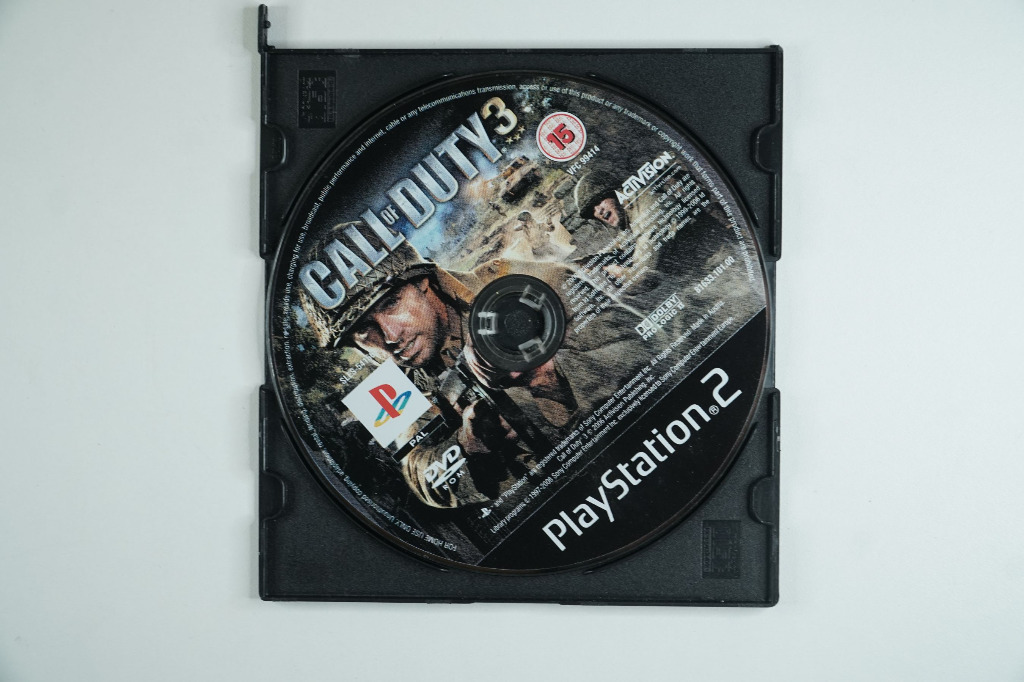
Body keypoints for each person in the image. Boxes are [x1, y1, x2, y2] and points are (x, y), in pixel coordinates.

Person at [300, 237, 646, 509]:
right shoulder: (384, 386)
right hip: (560, 508)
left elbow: (648, 342)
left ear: (422, 282)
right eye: (364, 329)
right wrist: (467, 448)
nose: (390, 337)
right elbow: (420, 474)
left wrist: (551, 379)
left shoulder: (513, 283)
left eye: (391, 303)